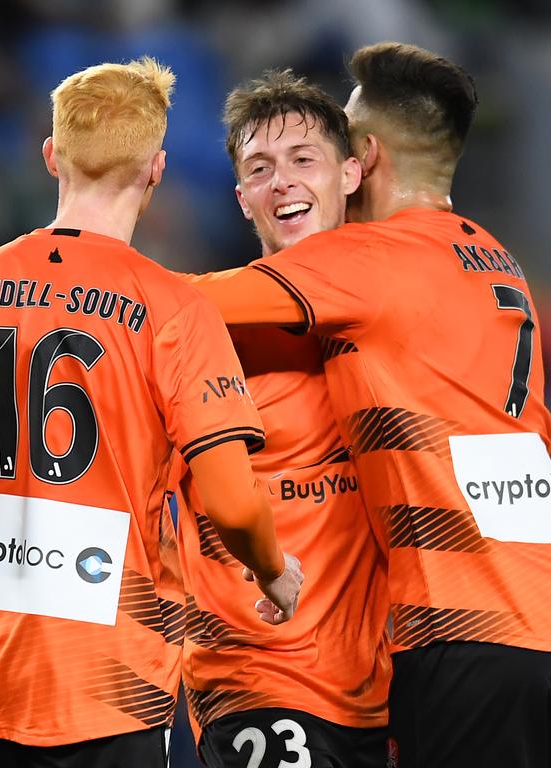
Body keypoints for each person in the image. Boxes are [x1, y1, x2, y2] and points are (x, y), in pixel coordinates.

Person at [187, 43, 551, 768]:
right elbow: (514, 445)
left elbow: (175, 305)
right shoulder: (496, 260)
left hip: (472, 637)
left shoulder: (358, 263)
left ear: (363, 160)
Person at [0, 57, 304, 768]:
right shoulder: (175, 309)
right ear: (156, 169)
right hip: (114, 682)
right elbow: (231, 503)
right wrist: (272, 570)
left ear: (51, 156)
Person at [175, 71, 390, 767]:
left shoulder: (399, 317)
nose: (283, 183)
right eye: (260, 169)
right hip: (257, 681)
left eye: (304, 160)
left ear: (351, 173)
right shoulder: (198, 332)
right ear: (242, 198)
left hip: (387, 689)